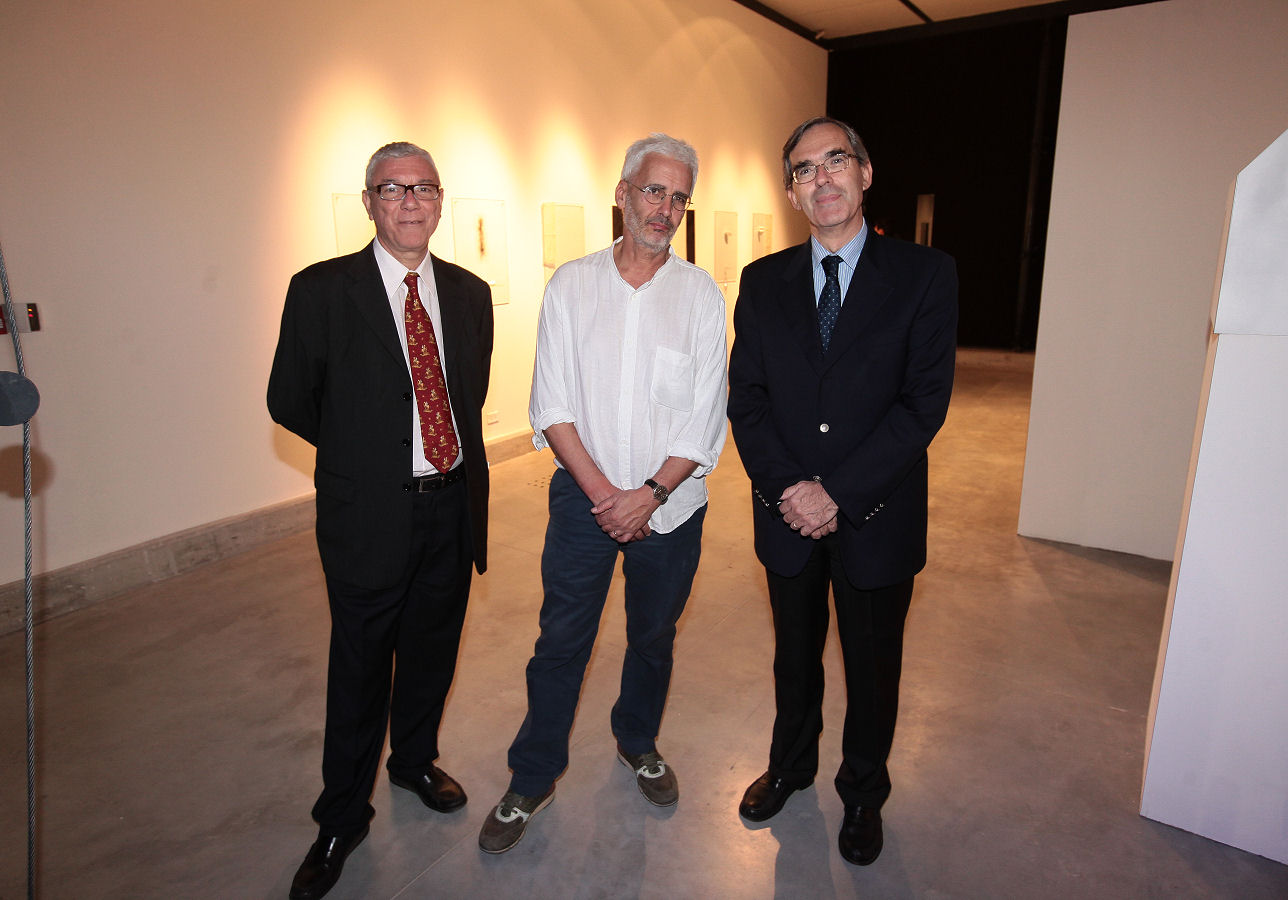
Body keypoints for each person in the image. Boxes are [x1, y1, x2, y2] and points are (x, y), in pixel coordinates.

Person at [477, 134, 727, 854]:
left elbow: (706, 417)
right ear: (621, 194)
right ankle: (533, 776)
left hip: (672, 508)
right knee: (561, 641)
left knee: (652, 638)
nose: (665, 209)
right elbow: (552, 405)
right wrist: (608, 498)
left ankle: (637, 741)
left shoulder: (701, 297)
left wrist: (649, 495)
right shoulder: (572, 286)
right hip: (583, 504)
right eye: (653, 191)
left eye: (679, 197)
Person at [727, 116, 957, 866]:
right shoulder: (763, 281)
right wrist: (790, 489)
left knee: (872, 667)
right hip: (786, 515)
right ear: (792, 193)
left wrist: (837, 492)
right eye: (804, 169)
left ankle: (863, 792)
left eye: (835, 161)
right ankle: (790, 767)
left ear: (865, 173)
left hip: (876, 515)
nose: (821, 178)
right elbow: (747, 399)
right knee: (793, 658)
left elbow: (922, 405)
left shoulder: (925, 275)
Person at [268, 141, 493, 900]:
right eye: (392, 188)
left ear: (440, 200)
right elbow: (289, 400)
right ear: (368, 201)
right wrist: (364, 457)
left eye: (423, 187)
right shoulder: (321, 290)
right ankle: (341, 817)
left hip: (451, 508)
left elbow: (467, 394)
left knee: (432, 652)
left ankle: (414, 762)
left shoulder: (467, 293)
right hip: (368, 515)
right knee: (360, 670)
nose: (409, 201)